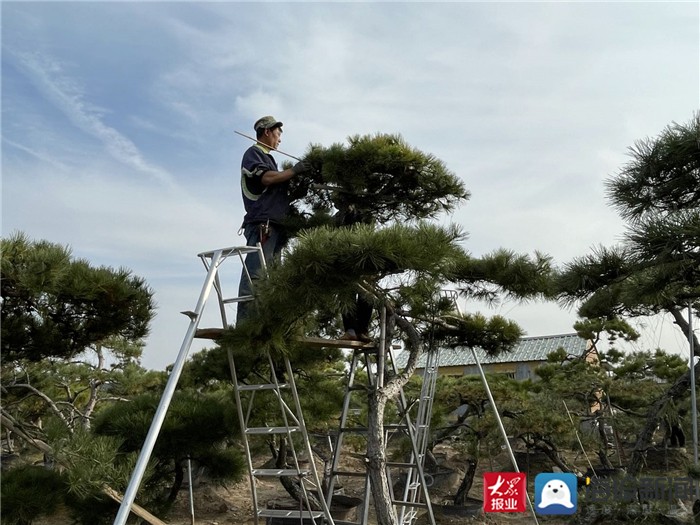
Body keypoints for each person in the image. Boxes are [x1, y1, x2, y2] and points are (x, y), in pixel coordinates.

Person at [236, 116, 309, 322]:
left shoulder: (270, 160)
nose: (279, 140)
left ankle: (268, 325)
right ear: (267, 132)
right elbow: (266, 178)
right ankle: (246, 326)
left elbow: (273, 192)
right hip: (262, 226)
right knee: (256, 275)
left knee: (274, 279)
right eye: (277, 135)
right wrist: (293, 171)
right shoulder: (254, 154)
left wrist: (297, 186)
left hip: (275, 226)